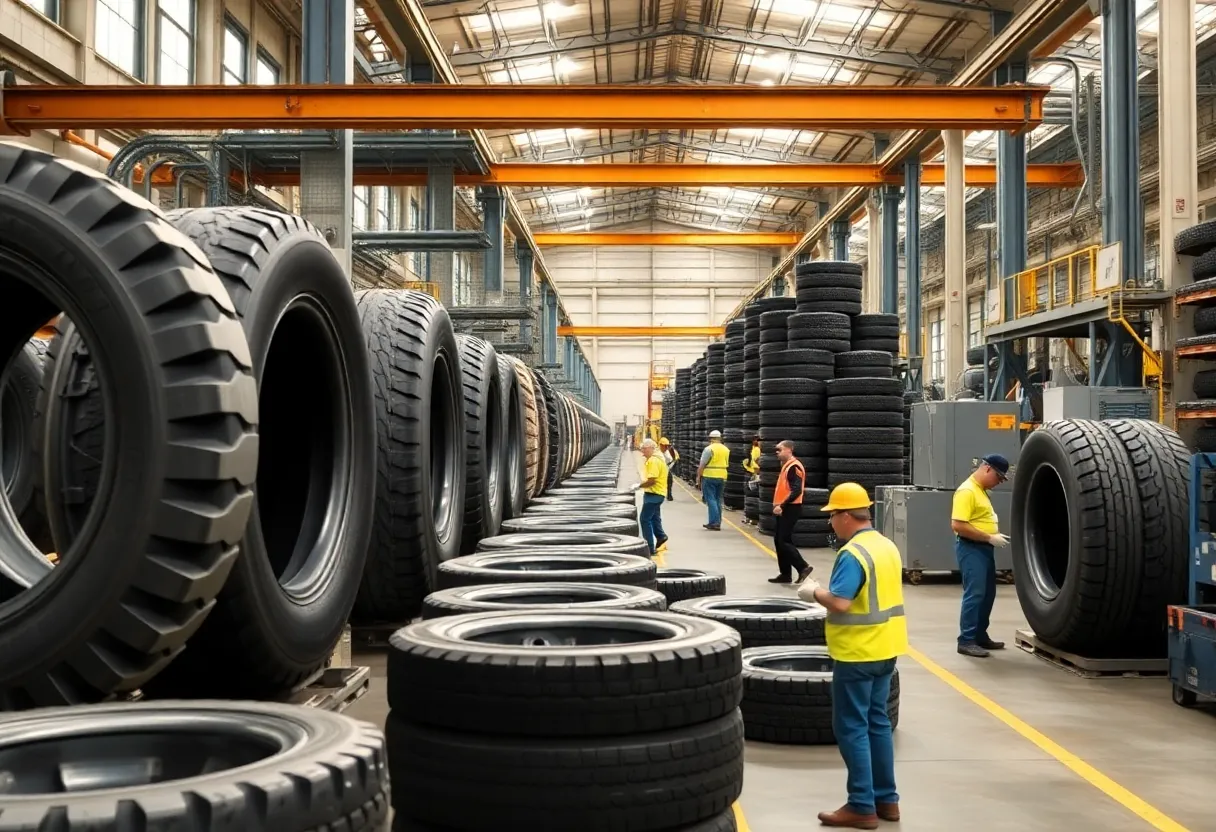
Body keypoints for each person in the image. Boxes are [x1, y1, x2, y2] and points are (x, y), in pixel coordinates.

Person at [798, 482, 907, 830]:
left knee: (851, 727)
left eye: (832, 516)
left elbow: (841, 601)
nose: (830, 522)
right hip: (886, 648)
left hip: (857, 651)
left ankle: (861, 805)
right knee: (878, 724)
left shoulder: (854, 553)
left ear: (846, 516)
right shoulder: (886, 545)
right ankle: (887, 801)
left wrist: (813, 592)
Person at [951, 454, 1011, 658]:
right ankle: (966, 640)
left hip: (983, 548)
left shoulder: (981, 491)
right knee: (975, 593)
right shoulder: (967, 491)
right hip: (972, 548)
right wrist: (988, 537)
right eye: (998, 477)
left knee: (987, 594)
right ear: (987, 469)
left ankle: (979, 634)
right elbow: (958, 524)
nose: (998, 482)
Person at [768, 440, 814, 585]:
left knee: (784, 540)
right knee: (778, 540)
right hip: (785, 508)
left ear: (789, 450)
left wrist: (782, 505)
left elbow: (796, 490)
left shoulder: (794, 466)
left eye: (779, 449)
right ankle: (785, 574)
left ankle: (803, 567)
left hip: (790, 507)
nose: (777, 452)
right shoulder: (786, 466)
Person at [632, 438, 669, 556]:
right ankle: (661, 536)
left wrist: (639, 486)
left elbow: (652, 481)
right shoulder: (657, 458)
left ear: (651, 448)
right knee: (654, 517)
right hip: (657, 493)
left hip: (654, 494)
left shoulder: (653, 460)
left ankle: (649, 547)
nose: (642, 450)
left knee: (644, 519)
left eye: (644, 448)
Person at [695, 429, 730, 531]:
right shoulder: (726, 449)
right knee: (718, 499)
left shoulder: (708, 449)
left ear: (710, 439)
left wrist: (698, 477)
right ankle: (718, 522)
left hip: (710, 476)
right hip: (723, 476)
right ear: (720, 438)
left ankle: (713, 523)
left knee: (711, 499)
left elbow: (702, 464)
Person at [659, 437, 679, 502]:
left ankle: (669, 494)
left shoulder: (667, 452)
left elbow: (670, 461)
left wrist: (674, 460)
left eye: (667, 446)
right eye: (665, 446)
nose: (666, 447)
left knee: (670, 480)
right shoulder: (657, 453)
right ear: (661, 445)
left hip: (666, 468)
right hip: (658, 470)